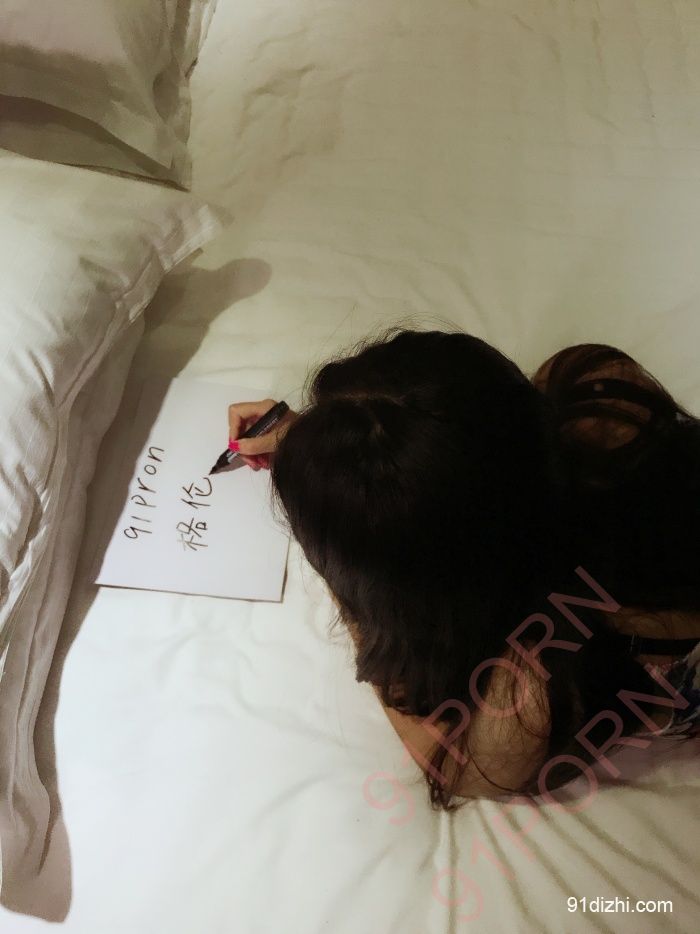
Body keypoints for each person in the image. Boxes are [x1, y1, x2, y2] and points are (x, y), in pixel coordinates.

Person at [227, 327, 700, 809]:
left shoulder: (532, 701)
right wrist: (333, 443)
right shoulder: (597, 390)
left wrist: (345, 577)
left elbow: (451, 767)